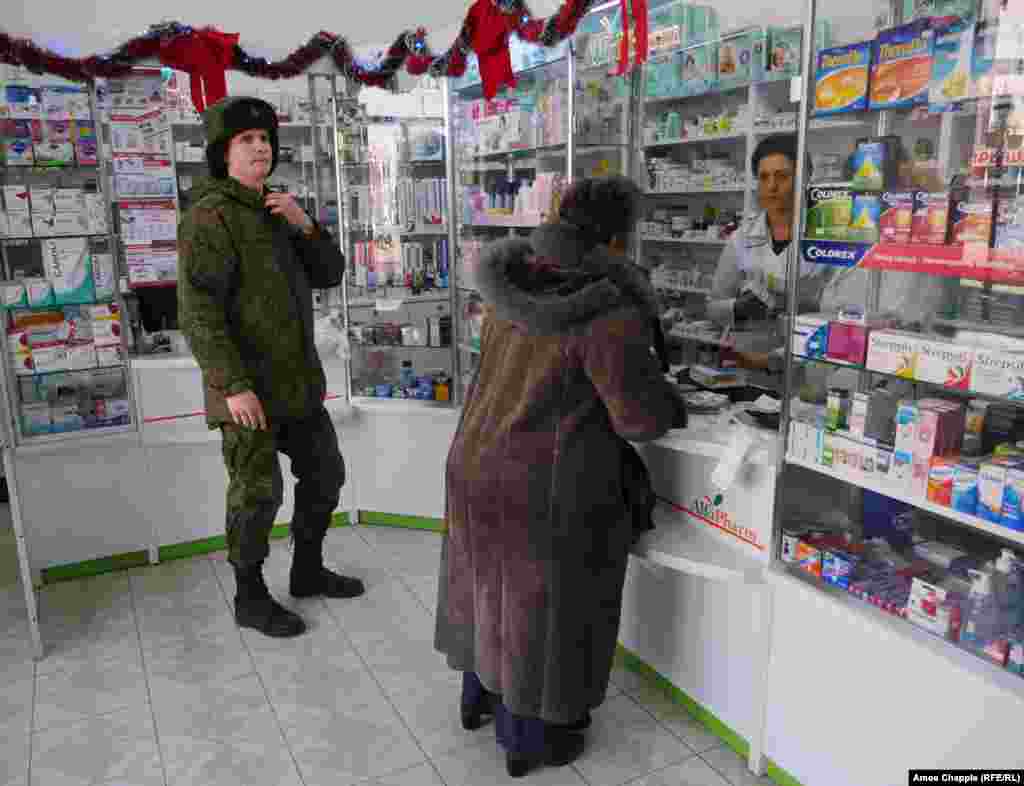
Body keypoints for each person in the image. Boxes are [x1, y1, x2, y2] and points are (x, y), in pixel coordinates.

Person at [434, 176, 688, 777]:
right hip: (547, 482)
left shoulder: (508, 286)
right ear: (618, 241)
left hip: (475, 463)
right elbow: (639, 419)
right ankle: (533, 738)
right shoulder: (603, 309)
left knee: (486, 589)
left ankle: (480, 698)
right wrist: (670, 399)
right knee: (545, 614)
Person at [178, 96, 365, 640]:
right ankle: (250, 595)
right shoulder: (209, 217)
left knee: (325, 474)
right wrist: (232, 386)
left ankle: (307, 570)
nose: (260, 147)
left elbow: (329, 272)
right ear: (223, 152)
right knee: (258, 494)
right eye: (246, 140)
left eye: (265, 139)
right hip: (247, 391)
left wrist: (306, 224)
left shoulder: (279, 207)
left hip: (298, 384)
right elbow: (199, 312)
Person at [707, 133, 827, 330]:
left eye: (782, 176)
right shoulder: (741, 240)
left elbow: (846, 309)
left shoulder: (828, 238)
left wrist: (803, 305)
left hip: (805, 350)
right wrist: (738, 308)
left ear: (804, 178)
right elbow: (713, 307)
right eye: (763, 177)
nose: (771, 186)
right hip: (750, 353)